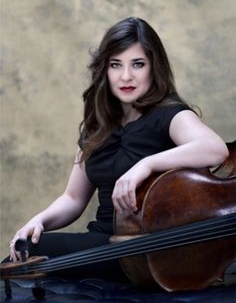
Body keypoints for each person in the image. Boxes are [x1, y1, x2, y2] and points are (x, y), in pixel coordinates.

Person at [7, 17, 229, 283]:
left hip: (150, 249)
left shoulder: (170, 115)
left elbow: (215, 149)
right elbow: (73, 199)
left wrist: (146, 164)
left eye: (138, 64)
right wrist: (38, 221)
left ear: (153, 68)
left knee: (24, 262)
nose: (126, 76)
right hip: (103, 242)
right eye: (116, 65)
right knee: (24, 253)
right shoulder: (96, 127)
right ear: (105, 71)